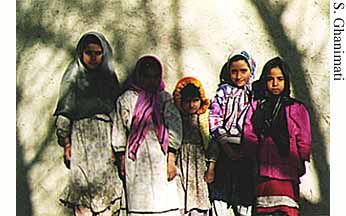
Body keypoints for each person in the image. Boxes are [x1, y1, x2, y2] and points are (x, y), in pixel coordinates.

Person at [54, 32, 123, 216]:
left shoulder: (109, 78)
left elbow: (117, 114)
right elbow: (64, 114)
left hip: (105, 141)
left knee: (107, 194)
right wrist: (67, 144)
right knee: (83, 194)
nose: (93, 57)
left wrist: (117, 147)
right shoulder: (73, 77)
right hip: (82, 141)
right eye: (88, 52)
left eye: (98, 53)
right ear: (81, 53)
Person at [112, 55, 184, 216]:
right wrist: (122, 158)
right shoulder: (127, 99)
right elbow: (119, 130)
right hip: (136, 160)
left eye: (154, 76)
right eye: (146, 76)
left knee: (164, 204)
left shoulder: (165, 99)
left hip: (161, 157)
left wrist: (171, 160)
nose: (150, 81)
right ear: (139, 76)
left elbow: (175, 129)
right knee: (139, 205)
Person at [242, 57, 312, 216]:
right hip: (264, 168)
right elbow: (249, 132)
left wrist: (302, 158)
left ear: (286, 81)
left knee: (286, 209)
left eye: (280, 79)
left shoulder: (296, 108)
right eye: (270, 79)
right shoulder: (257, 106)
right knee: (266, 210)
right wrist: (252, 155)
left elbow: (304, 137)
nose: (275, 83)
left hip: (288, 168)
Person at [205, 50, 257, 216]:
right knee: (221, 186)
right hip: (223, 146)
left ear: (251, 71)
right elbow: (215, 117)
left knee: (245, 188)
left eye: (243, 71)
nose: (238, 76)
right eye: (234, 71)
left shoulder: (254, 94)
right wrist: (224, 143)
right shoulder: (223, 92)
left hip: (246, 147)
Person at [173, 77, 212, 215]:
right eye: (187, 101)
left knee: (198, 196)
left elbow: (212, 144)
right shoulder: (177, 118)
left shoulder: (203, 119)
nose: (191, 105)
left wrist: (211, 167)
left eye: (195, 100)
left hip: (198, 163)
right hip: (181, 162)